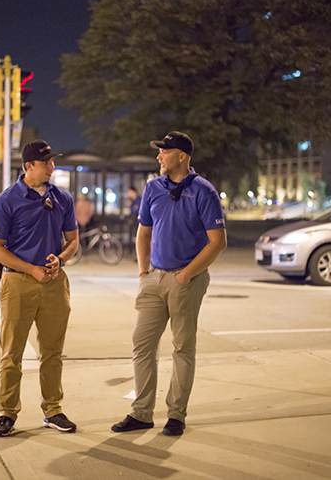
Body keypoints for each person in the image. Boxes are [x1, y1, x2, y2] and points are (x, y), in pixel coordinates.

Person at [111, 131, 227, 437]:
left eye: (165, 151)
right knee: (142, 343)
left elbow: (218, 242)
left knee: (182, 347)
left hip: (185, 279)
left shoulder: (204, 191)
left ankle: (176, 414)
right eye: (159, 151)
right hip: (154, 277)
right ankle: (141, 413)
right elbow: (143, 232)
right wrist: (143, 271)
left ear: (182, 156)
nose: (159, 156)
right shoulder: (153, 187)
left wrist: (187, 274)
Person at [0, 139, 79, 437]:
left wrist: (60, 259)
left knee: (52, 351)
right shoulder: (7, 200)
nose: (52, 167)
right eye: (46, 163)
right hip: (18, 282)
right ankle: (7, 413)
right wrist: (32, 269)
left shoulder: (62, 198)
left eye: (53, 161)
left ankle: (53, 410)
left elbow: (73, 240)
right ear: (29, 166)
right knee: (11, 352)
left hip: (53, 283)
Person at [126, 187, 142, 254]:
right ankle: (136, 253)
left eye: (129, 192)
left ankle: (140, 253)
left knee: (138, 237)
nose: (128, 194)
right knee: (135, 237)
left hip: (139, 220)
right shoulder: (132, 201)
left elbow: (137, 210)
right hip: (134, 220)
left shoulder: (139, 200)